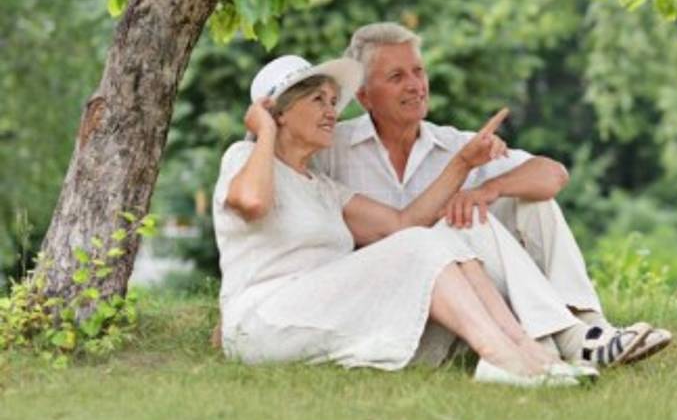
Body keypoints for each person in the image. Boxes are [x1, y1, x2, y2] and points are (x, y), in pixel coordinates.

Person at [214, 54, 606, 387]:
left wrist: (463, 163)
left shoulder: (325, 189)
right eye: (318, 100)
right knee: (421, 243)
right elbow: (251, 202)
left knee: (438, 236)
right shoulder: (242, 159)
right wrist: (264, 132)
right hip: (263, 321)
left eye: (334, 101)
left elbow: (403, 224)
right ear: (278, 112)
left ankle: (527, 349)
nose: (332, 111)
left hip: (319, 308)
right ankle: (499, 356)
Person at [317, 22, 672, 367]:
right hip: (391, 308)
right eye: (397, 77)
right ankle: (570, 339)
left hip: (471, 303)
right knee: (461, 221)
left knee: (531, 204)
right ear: (364, 96)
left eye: (419, 72)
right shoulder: (332, 150)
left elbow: (553, 175)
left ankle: (590, 327)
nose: (415, 86)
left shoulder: (454, 144)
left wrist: (488, 189)